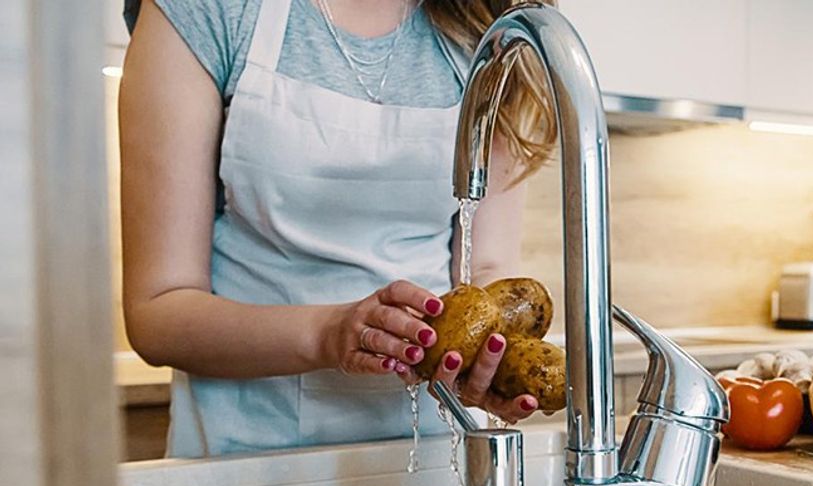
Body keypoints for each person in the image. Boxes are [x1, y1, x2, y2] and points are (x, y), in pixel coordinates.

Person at [119, 0, 557, 458]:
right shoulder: (212, 10)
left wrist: (487, 363)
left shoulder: (488, 25)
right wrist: (332, 334)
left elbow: (483, 271)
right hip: (245, 461)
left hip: (433, 456)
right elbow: (158, 310)